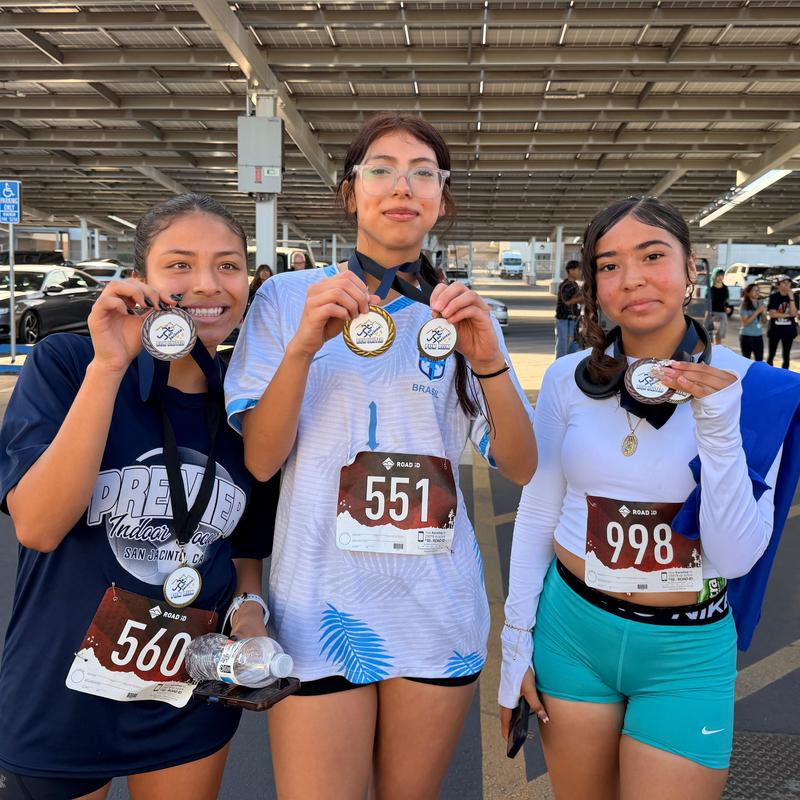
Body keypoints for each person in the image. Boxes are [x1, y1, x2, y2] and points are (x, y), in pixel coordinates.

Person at [225, 112, 537, 799]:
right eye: (382, 169)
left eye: (423, 172)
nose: (404, 185)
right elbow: (261, 460)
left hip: (437, 604)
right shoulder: (284, 300)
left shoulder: (461, 313)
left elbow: (519, 463)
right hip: (318, 605)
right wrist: (307, 343)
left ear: (442, 198)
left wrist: (487, 362)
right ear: (350, 192)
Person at [499, 196, 800, 800]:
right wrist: (514, 649)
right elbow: (537, 510)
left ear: (692, 268)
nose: (631, 278)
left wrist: (718, 424)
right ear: (593, 286)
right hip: (572, 632)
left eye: (653, 256)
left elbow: (737, 557)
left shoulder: (758, 390)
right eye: (608, 265)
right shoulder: (566, 378)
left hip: (687, 648)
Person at [0, 193, 278, 800]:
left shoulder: (244, 402)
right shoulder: (69, 364)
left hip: (185, 687)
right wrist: (110, 364)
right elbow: (39, 526)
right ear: (140, 281)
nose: (207, 284)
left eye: (228, 265)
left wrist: (251, 613)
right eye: (179, 265)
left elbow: (244, 547)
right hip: (61, 691)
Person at [766, 275, 797, 369]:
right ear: (778, 285)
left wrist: (791, 298)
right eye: (784, 282)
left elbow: (794, 313)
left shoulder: (795, 297)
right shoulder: (774, 297)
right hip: (775, 329)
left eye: (788, 282)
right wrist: (788, 315)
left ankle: (785, 375)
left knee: (786, 355)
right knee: (771, 354)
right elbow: (772, 314)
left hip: (788, 330)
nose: (787, 284)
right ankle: (769, 372)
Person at [555, 259, 583, 358]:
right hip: (564, 321)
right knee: (563, 348)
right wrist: (582, 297)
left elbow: (578, 301)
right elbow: (567, 302)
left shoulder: (575, 284)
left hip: (573, 321)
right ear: (570, 271)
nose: (580, 272)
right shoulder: (565, 285)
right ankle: (558, 371)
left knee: (573, 348)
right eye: (578, 269)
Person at [739, 282, 766, 361]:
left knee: (759, 360)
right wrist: (757, 311)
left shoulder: (760, 303)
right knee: (746, 360)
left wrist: (764, 314)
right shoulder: (744, 305)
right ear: (748, 293)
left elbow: (764, 322)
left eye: (758, 290)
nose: (757, 292)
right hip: (747, 336)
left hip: (758, 335)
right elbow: (745, 323)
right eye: (755, 290)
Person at [707, 268, 731, 345]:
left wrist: (728, 308)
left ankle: (717, 354)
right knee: (708, 337)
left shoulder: (725, 288)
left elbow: (726, 301)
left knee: (718, 337)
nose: (720, 277)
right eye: (718, 275)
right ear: (714, 276)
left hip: (722, 314)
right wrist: (711, 315)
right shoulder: (710, 288)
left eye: (722, 275)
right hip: (711, 313)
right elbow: (706, 302)